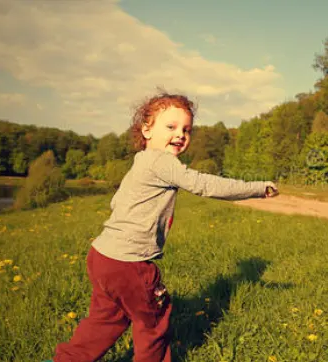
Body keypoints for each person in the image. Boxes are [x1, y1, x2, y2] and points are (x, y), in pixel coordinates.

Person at [49, 92, 278, 362]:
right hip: (128, 263)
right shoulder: (162, 162)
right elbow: (205, 184)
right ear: (147, 129)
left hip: (102, 256)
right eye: (171, 127)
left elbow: (116, 201)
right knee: (154, 322)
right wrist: (257, 188)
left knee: (106, 320)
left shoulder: (141, 161)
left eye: (186, 129)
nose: (180, 134)